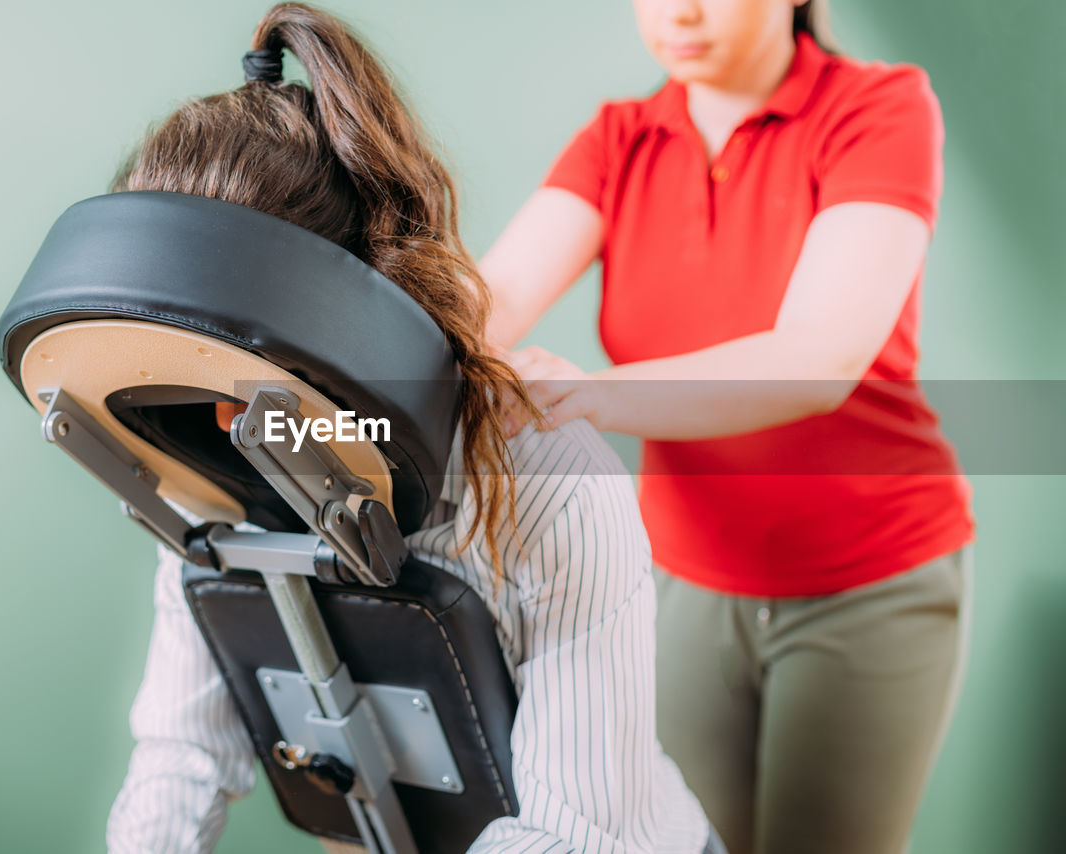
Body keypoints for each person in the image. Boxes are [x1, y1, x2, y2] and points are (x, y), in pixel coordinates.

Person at [104, 4, 718, 852]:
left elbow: (570, 834)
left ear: (348, 319)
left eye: (245, 379)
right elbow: (179, 753)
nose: (225, 418)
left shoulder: (552, 485)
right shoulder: (209, 469)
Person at [481, 1, 975, 852]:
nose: (681, 9)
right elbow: (488, 305)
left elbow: (821, 357)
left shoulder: (880, 107)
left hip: (868, 581)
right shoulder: (618, 139)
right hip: (682, 584)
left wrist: (591, 394)